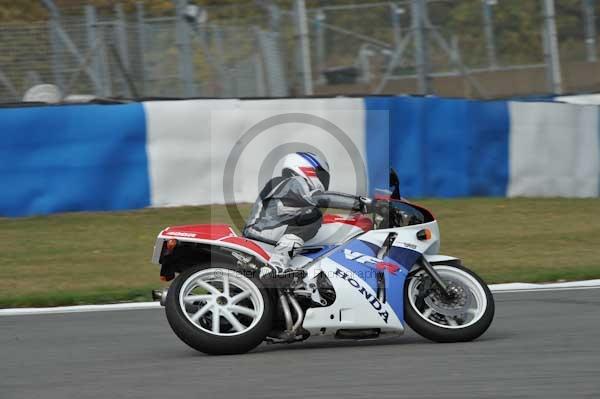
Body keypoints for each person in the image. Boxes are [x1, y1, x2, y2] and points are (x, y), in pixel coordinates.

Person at [243, 152, 371, 274]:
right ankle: (278, 264)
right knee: (312, 216)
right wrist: (361, 203)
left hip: (264, 230)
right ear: (307, 169)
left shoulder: (284, 186)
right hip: (264, 231)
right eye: (322, 174)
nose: (324, 180)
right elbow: (319, 198)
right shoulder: (293, 182)